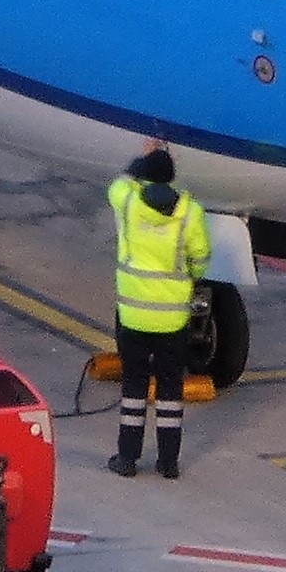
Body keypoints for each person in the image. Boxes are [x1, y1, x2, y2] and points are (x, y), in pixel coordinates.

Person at [106, 146, 214, 479]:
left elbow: (118, 184)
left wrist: (141, 160)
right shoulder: (190, 213)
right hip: (172, 319)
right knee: (170, 391)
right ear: (172, 177)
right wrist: (188, 276)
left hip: (134, 316)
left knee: (134, 388)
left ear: (146, 175)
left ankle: (127, 459)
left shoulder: (128, 202)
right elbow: (201, 257)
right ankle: (168, 462)